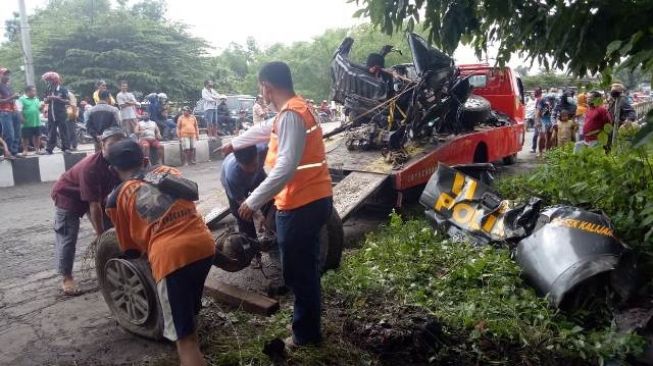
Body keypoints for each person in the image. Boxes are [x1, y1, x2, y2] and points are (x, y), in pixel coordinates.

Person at [223, 61, 333, 348]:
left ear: (267, 87)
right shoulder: (294, 110)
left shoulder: (292, 115)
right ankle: (308, 324)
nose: (263, 94)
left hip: (301, 204)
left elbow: (285, 166)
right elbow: (263, 129)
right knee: (304, 268)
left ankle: (305, 335)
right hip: (311, 198)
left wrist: (252, 200)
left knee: (298, 273)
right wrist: (235, 143)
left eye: (262, 89)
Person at [105, 139, 215, 366]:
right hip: (204, 247)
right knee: (189, 312)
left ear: (112, 170)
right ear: (145, 159)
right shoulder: (168, 171)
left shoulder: (116, 199)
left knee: (185, 341)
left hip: (171, 260)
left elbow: (130, 250)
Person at [50, 127, 126, 295]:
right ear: (102, 144)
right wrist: (100, 236)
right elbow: (94, 206)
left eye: (120, 144)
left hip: (97, 197)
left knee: (111, 230)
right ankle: (66, 278)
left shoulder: (119, 162)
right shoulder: (91, 166)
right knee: (68, 235)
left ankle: (114, 266)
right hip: (68, 195)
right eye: (112, 144)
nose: (115, 149)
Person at [220, 144, 268, 238]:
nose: (252, 170)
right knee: (243, 215)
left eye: (254, 165)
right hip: (237, 185)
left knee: (270, 202)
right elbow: (242, 202)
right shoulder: (232, 176)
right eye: (247, 167)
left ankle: (271, 233)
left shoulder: (263, 149)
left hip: (258, 177)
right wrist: (258, 216)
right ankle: (250, 245)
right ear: (238, 163)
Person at [43, 71, 71, 154]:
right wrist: (47, 99)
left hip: (61, 113)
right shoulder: (48, 89)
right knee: (51, 131)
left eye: (49, 80)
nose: (48, 82)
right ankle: (49, 149)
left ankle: (66, 148)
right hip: (51, 113)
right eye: (47, 80)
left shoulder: (63, 89)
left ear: (55, 80)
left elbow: (67, 101)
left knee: (63, 131)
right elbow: (45, 100)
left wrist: (57, 98)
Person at [18, 86, 43, 155]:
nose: (35, 93)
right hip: (26, 121)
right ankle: (25, 150)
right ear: (28, 92)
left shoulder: (36, 99)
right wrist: (21, 118)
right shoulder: (21, 99)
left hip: (36, 121)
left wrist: (42, 107)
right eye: (33, 91)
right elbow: (19, 110)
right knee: (25, 137)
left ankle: (37, 150)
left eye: (35, 91)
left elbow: (39, 109)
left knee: (37, 136)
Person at [0, 70, 20, 157]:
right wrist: (12, 97)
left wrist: (15, 97)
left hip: (14, 111)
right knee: (9, 134)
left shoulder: (8, 86)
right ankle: (7, 152)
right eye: (5, 75)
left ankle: (14, 152)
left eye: (8, 75)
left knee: (17, 133)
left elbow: (12, 99)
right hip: (5, 112)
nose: (7, 77)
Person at [535, 93, 556, 157]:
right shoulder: (542, 101)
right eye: (550, 99)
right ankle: (540, 151)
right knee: (542, 137)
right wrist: (537, 121)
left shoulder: (555, 102)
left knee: (549, 137)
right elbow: (538, 111)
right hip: (542, 120)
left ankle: (547, 152)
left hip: (550, 120)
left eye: (552, 99)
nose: (551, 101)